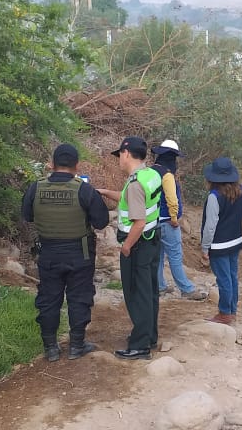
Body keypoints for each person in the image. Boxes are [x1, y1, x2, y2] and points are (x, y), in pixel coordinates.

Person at [21, 143, 111, 362]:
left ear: (52, 164)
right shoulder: (84, 189)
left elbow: (27, 215)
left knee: (48, 298)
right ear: (76, 165)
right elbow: (101, 222)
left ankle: (50, 348)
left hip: (48, 253)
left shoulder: (36, 187)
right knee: (79, 297)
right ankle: (76, 346)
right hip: (79, 254)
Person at [97, 136, 163, 361]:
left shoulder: (135, 183)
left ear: (126, 154)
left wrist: (126, 246)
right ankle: (150, 336)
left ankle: (139, 345)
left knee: (137, 294)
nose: (118, 160)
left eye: (119, 156)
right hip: (153, 240)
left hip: (138, 244)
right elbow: (130, 198)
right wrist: (106, 192)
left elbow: (139, 222)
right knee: (150, 291)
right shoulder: (150, 175)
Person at [150, 140, 208, 301]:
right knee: (175, 256)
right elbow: (172, 199)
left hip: (151, 222)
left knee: (158, 256)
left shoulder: (149, 172)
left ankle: (159, 286)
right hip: (167, 222)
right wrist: (174, 218)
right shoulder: (166, 175)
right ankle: (186, 289)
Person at [199, 157, 242, 325]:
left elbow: (210, 226)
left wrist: (204, 248)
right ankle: (232, 310)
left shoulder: (214, 197)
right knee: (232, 276)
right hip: (235, 241)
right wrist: (235, 221)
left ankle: (224, 313)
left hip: (218, 245)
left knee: (223, 279)